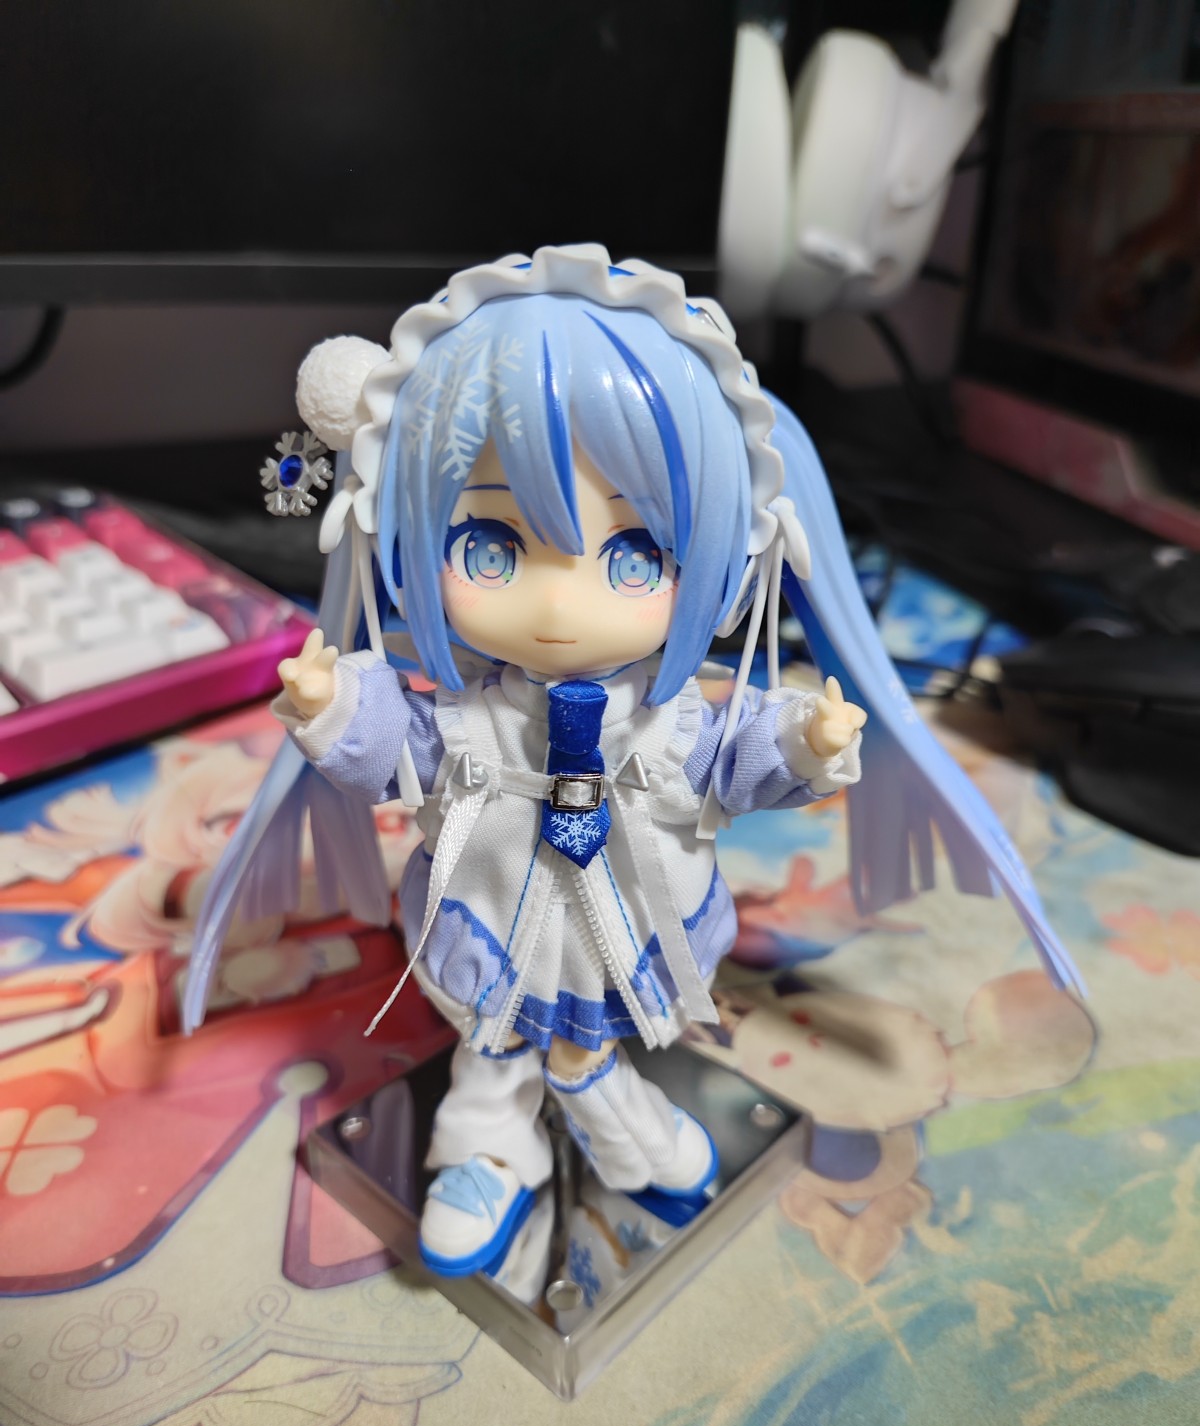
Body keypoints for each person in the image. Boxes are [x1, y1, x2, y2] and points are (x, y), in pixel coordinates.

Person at [184, 245, 1079, 1279]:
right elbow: (406, 748)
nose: (561, 604)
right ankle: (487, 1150)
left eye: (634, 555)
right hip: (495, 911)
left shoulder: (670, 719)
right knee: (491, 1047)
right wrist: (335, 707)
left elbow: (735, 757)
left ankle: (615, 1115)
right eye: (490, 548)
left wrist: (805, 741)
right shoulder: (473, 716)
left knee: (589, 1043)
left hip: (629, 919)